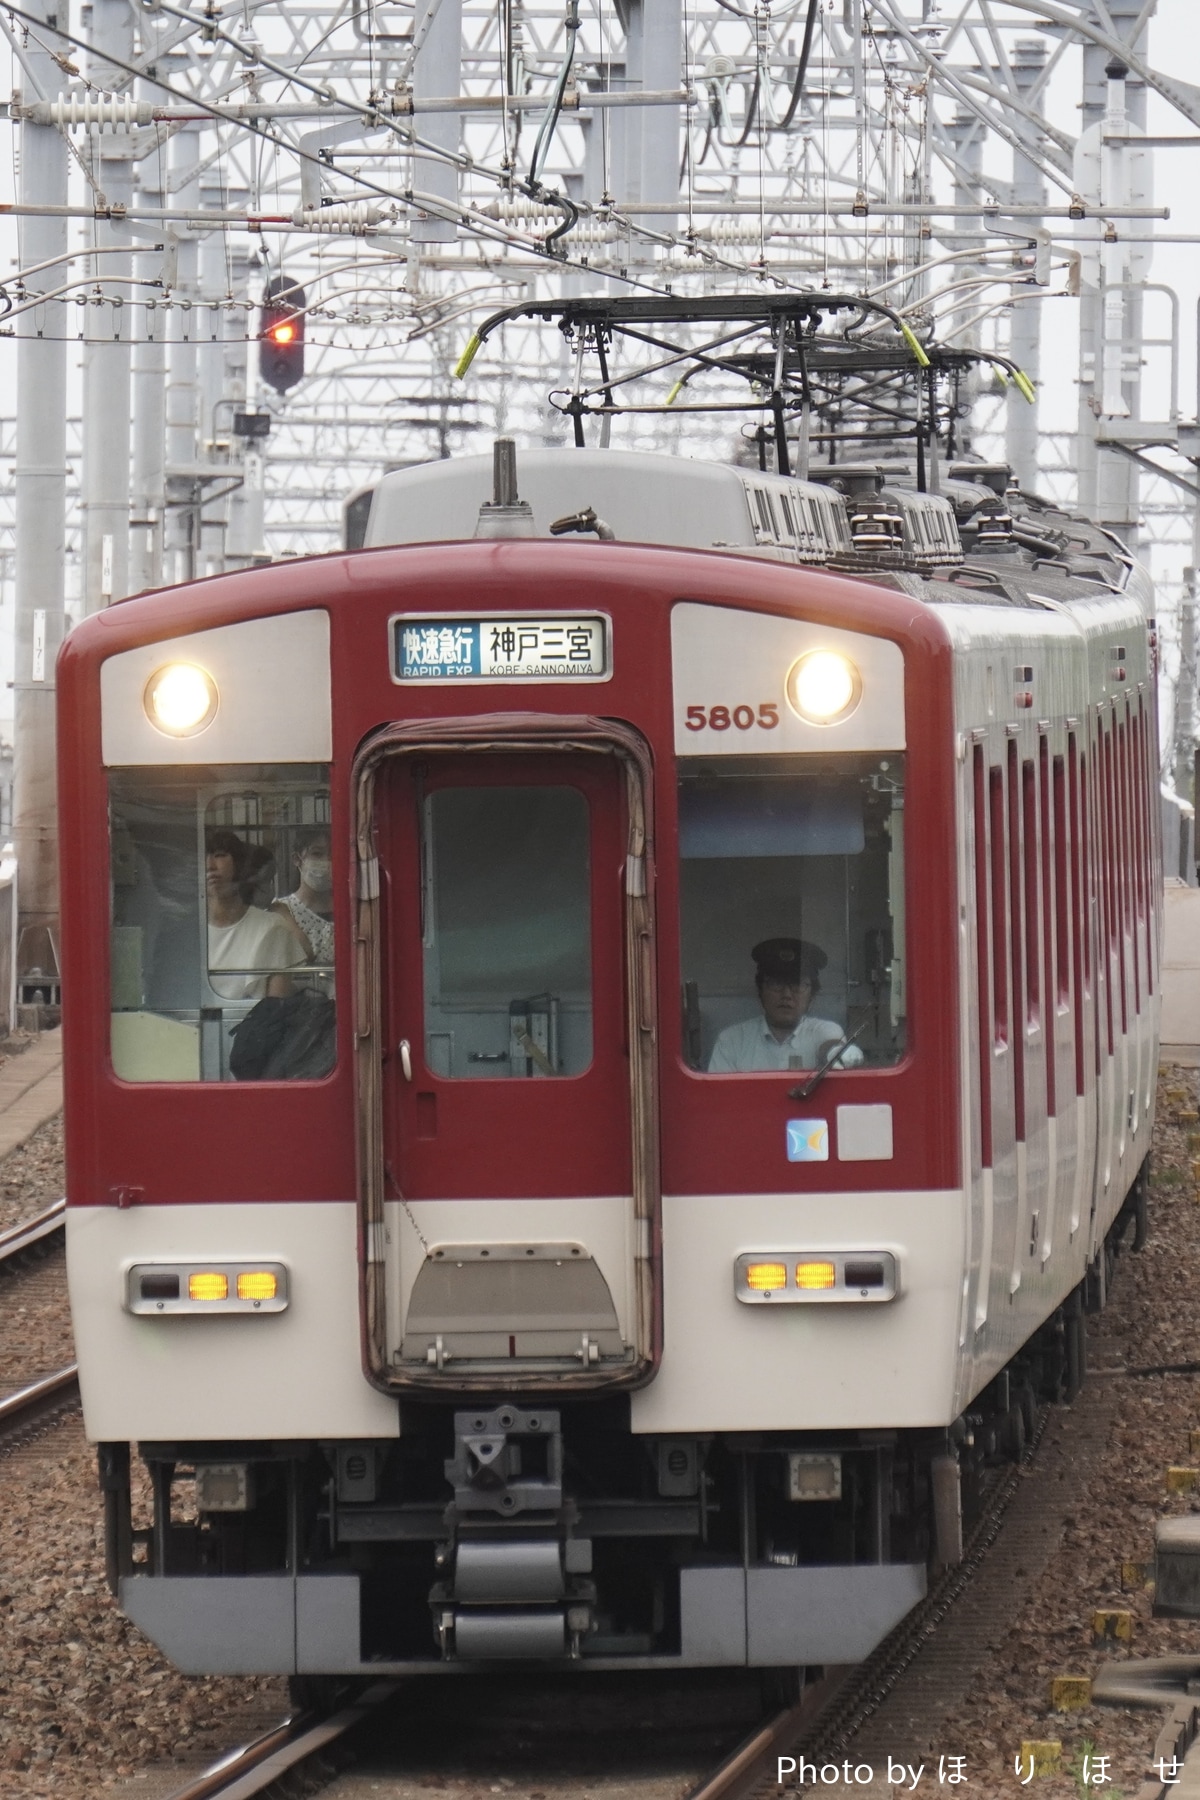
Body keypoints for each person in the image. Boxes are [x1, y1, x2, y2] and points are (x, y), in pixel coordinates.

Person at [707, 938, 865, 1073]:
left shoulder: (825, 1030)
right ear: (760, 991)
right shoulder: (732, 1041)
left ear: (812, 995)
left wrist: (837, 1053)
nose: (787, 995)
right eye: (777, 983)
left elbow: (830, 1046)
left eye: (797, 985)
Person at [205, 829, 304, 1001]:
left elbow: (276, 1010)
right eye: (203, 857)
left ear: (239, 865)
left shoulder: (272, 927)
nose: (210, 866)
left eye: (220, 855)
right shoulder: (185, 932)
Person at [271, 830, 335, 974]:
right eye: (317, 854)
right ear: (297, 859)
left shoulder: (352, 909)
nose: (327, 862)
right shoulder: (281, 910)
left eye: (333, 854)